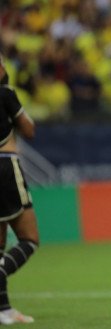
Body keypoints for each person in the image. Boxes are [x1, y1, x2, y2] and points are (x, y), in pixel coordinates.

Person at [0, 52, 38, 324]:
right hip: (5, 164)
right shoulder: (5, 93)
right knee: (29, 238)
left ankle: (3, 309)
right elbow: (28, 129)